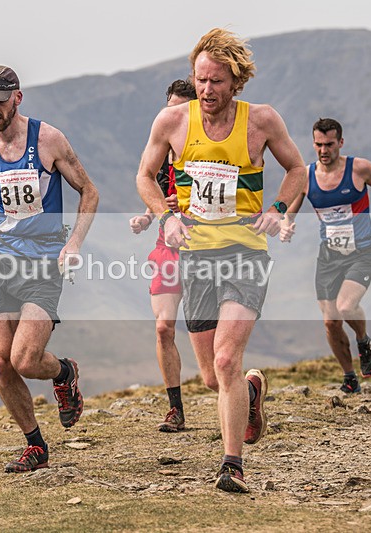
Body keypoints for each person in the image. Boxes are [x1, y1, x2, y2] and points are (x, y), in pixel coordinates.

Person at [136, 28, 307, 493]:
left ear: (235, 81)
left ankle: (232, 464)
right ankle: (251, 392)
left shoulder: (262, 121)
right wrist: (166, 216)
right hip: (196, 259)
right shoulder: (172, 122)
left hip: (246, 254)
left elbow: (297, 169)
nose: (207, 90)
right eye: (201, 80)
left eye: (216, 82)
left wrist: (277, 209)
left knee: (228, 357)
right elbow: (145, 177)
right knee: (214, 376)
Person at [0, 65, 99, 473]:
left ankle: (64, 371)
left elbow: (89, 191)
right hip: (1, 263)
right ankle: (35, 445)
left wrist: (74, 243)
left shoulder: (48, 140)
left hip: (44, 263)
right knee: (0, 361)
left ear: (17, 97)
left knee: (24, 359)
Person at [280, 118, 371, 393]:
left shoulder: (359, 168)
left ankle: (363, 341)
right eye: (318, 144)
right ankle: (349, 378)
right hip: (329, 256)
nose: (323, 150)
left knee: (345, 307)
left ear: (340, 143)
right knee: (330, 322)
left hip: (362, 251)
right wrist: (286, 225)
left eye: (329, 144)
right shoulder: (306, 177)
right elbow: (290, 208)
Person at [129, 79, 197, 432]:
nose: (172, 115)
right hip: (168, 248)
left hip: (205, 248)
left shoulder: (205, 150)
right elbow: (151, 187)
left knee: (212, 341)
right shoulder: (161, 146)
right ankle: (176, 410)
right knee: (163, 327)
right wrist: (147, 215)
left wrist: (185, 204)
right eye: (169, 107)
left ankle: (238, 395)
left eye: (180, 109)